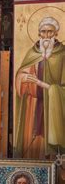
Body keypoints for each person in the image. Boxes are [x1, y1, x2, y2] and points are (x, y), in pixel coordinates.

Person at [15, 16, 65, 159]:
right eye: (43, 31)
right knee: (32, 142)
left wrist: (46, 86)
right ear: (39, 33)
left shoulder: (62, 53)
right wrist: (23, 77)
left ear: (56, 33)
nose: (46, 35)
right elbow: (21, 73)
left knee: (50, 146)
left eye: (50, 32)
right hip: (33, 104)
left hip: (55, 107)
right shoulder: (33, 53)